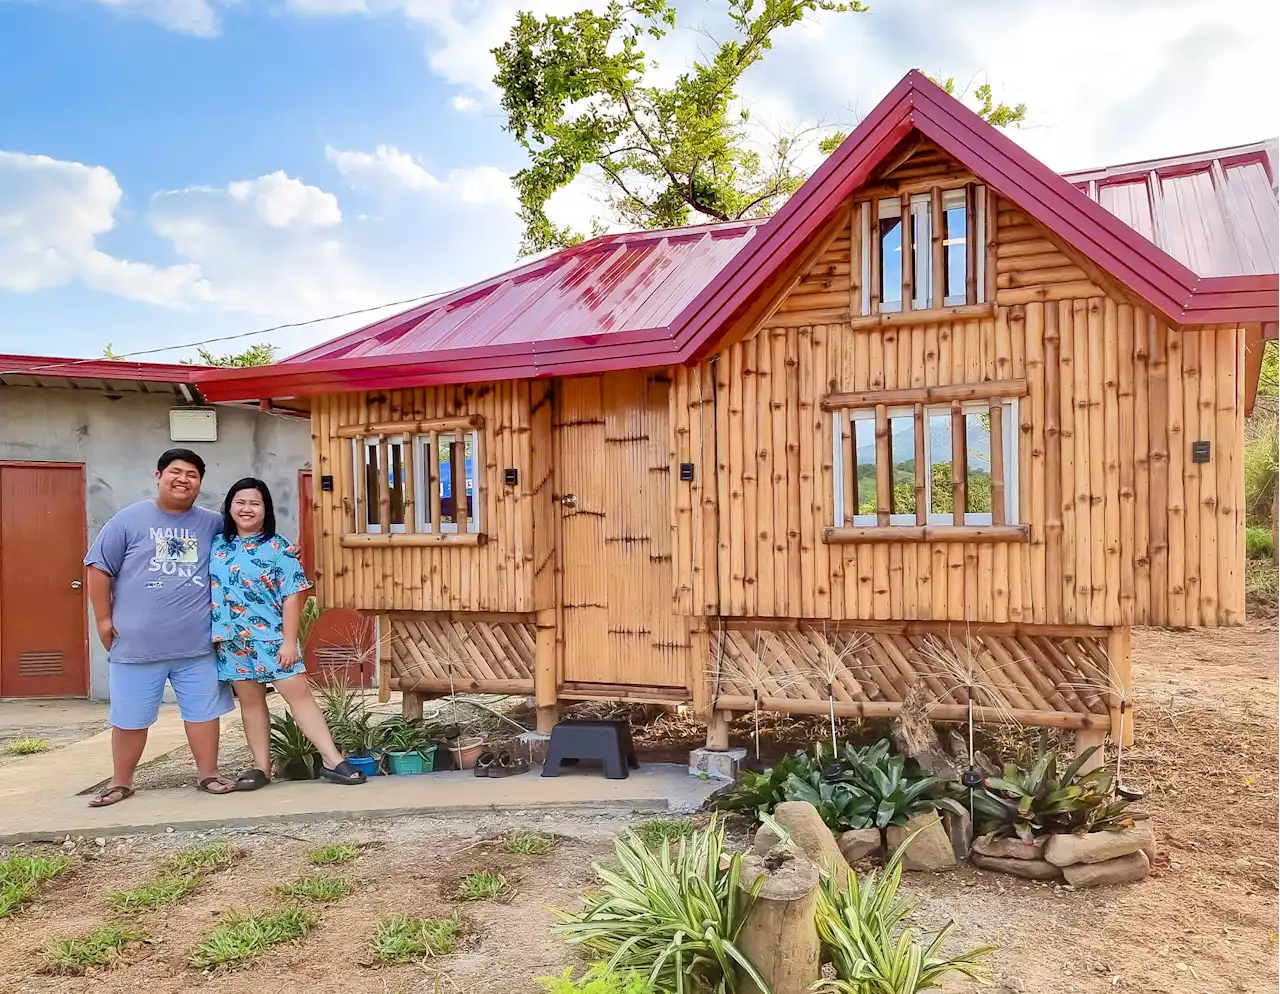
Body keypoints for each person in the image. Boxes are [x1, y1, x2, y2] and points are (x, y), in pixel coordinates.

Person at [84, 449, 236, 807]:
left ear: (201, 482)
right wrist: (104, 620)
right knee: (130, 718)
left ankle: (209, 774)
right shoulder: (128, 519)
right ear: (158, 476)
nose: (183, 479)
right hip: (136, 645)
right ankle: (121, 782)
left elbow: (247, 543)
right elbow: (98, 567)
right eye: (175, 472)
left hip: (197, 646)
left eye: (192, 474)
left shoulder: (212, 523)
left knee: (203, 714)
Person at [211, 478, 366, 788]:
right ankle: (261, 768)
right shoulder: (216, 545)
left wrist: (288, 641)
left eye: (255, 503)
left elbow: (293, 595)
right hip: (231, 640)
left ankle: (332, 760)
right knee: (251, 702)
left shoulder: (278, 547)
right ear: (229, 507)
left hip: (271, 638)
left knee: (299, 696)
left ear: (265, 509)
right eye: (240, 502)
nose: (247, 508)